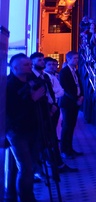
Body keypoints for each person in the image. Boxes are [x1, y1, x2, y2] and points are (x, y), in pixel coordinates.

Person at [6, 54, 47, 201]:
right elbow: (12, 110)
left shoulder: (31, 81)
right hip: (18, 131)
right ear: (14, 67)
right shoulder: (9, 85)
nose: (30, 67)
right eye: (25, 65)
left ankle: (25, 194)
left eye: (30, 64)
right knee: (26, 167)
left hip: (33, 128)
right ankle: (26, 198)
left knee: (32, 165)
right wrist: (32, 99)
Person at [59, 50, 84, 158]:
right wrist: (75, 99)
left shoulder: (75, 71)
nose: (76, 60)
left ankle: (70, 148)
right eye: (74, 58)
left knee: (72, 126)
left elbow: (79, 84)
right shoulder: (64, 72)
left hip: (75, 101)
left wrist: (82, 95)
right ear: (68, 59)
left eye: (77, 58)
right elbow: (65, 88)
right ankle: (64, 150)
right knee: (67, 126)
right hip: (68, 102)